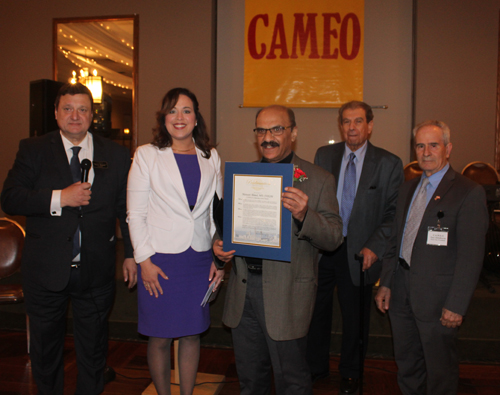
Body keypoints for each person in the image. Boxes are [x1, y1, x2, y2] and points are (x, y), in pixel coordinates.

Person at [1, 82, 137, 395]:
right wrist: (58, 198)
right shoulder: (33, 149)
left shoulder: (115, 154)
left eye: (82, 109)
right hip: (46, 270)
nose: (75, 115)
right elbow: (10, 198)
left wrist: (131, 253)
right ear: (56, 113)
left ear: (93, 115)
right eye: (67, 109)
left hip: (96, 270)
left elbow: (125, 208)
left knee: (93, 352)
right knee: (46, 352)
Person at [214, 105, 343, 395]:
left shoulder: (318, 179)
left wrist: (305, 214)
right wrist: (218, 246)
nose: (267, 137)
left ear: (293, 133)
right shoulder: (242, 176)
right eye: (261, 130)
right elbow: (225, 228)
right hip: (243, 292)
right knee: (250, 381)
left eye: (276, 129)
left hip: (287, 295)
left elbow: (334, 237)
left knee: (292, 382)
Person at [375, 120, 488, 394]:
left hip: (439, 301)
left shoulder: (468, 192)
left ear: (447, 149)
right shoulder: (407, 189)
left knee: (440, 371)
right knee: (407, 364)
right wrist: (386, 283)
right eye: (420, 145)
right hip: (400, 291)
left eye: (433, 145)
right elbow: (395, 241)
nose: (426, 152)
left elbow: (471, 257)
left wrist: (457, 304)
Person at [126, 88, 224, 395]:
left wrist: (218, 261)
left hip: (198, 259)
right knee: (159, 337)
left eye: (186, 110)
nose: (179, 117)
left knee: (193, 334)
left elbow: (216, 213)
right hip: (159, 260)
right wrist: (144, 262)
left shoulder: (211, 156)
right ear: (163, 118)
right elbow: (135, 213)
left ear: (196, 118)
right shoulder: (146, 155)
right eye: (172, 111)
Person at [306, 101, 404, 393]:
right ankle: (315, 367)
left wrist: (375, 245)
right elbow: (314, 199)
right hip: (324, 247)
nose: (352, 127)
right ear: (340, 125)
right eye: (346, 121)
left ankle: (350, 373)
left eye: (358, 121)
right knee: (315, 311)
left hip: (362, 252)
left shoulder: (389, 163)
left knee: (355, 319)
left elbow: (392, 214)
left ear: (370, 125)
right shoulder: (324, 155)